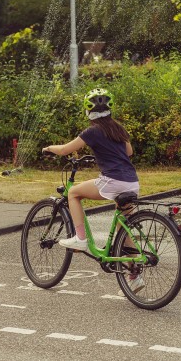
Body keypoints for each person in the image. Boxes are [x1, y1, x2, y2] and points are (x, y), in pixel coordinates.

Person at [41, 88, 144, 292]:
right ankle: (134, 275)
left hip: (112, 181)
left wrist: (48, 148)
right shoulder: (118, 128)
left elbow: (64, 150)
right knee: (123, 226)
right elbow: (129, 152)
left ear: (88, 111)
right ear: (109, 109)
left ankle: (80, 238)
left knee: (73, 193)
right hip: (132, 182)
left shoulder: (92, 131)